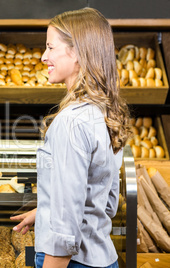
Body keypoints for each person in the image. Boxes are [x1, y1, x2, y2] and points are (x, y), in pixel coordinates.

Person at [11, 7, 131, 268]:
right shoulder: (106, 112)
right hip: (103, 258)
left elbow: (65, 230)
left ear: (77, 52)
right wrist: (44, 213)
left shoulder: (71, 122)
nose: (43, 57)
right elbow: (105, 203)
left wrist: (56, 220)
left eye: (50, 47)